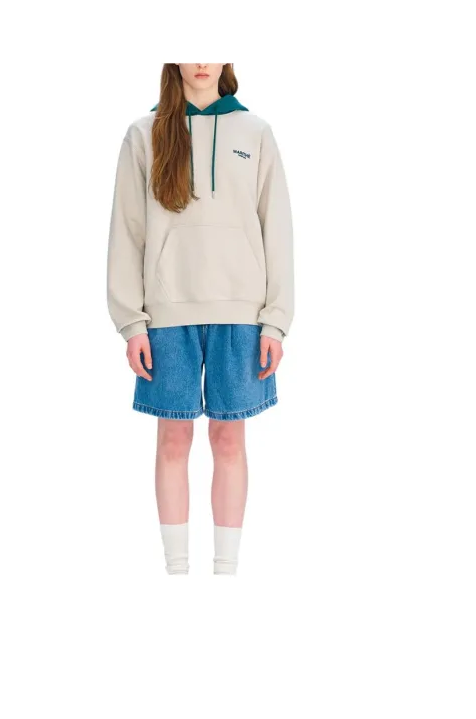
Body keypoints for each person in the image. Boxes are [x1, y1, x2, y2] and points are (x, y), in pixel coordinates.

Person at [106, 63, 294, 575]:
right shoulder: (143, 133)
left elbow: (276, 228)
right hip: (167, 315)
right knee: (173, 440)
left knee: (229, 440)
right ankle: (177, 572)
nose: (201, 61)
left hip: (242, 315)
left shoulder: (255, 132)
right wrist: (132, 322)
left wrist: (275, 320)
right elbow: (127, 231)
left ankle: (225, 572)